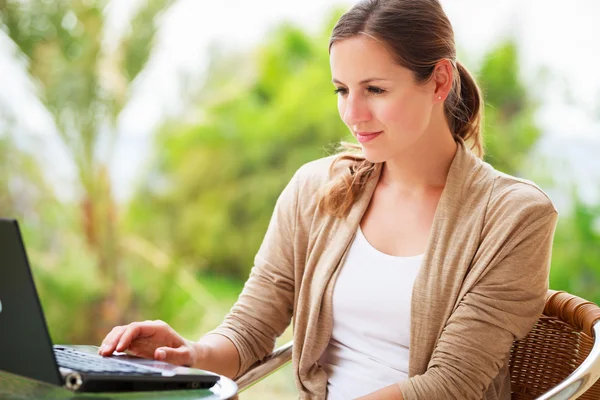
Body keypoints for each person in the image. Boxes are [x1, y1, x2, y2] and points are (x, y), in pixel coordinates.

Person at [98, 0, 558, 398]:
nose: (353, 115)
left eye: (375, 90)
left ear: (439, 82)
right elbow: (250, 329)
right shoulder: (315, 189)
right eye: (342, 90)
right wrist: (187, 355)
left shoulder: (515, 216)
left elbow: (451, 385)